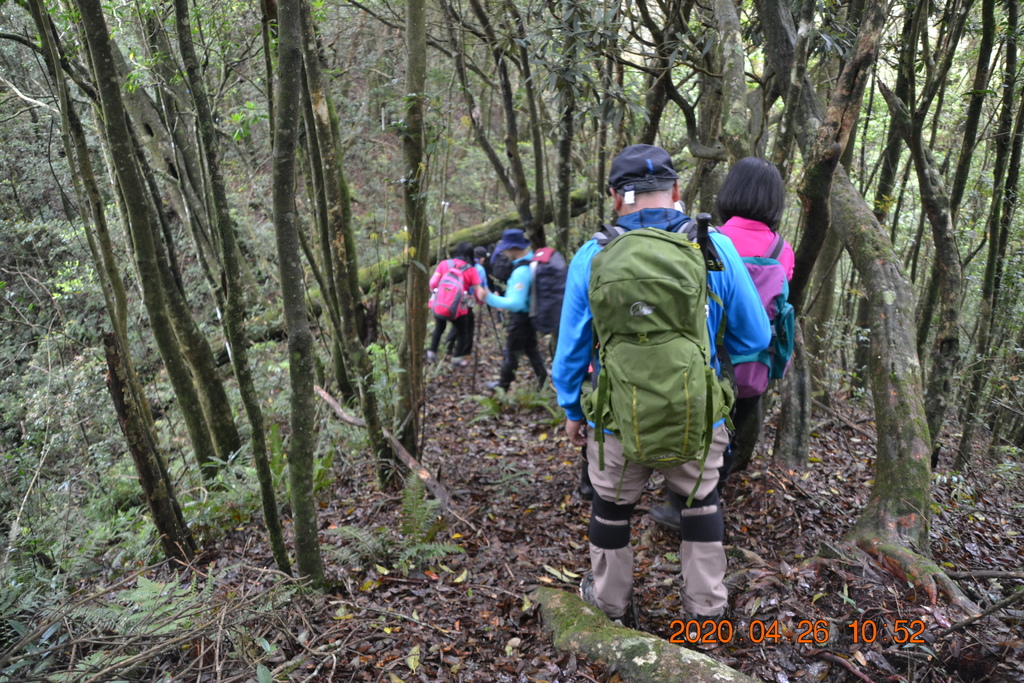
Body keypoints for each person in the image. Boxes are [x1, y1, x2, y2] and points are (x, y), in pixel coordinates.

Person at [552, 144, 770, 624]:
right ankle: (706, 611)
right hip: (698, 409)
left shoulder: (593, 254)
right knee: (701, 504)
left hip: (616, 413)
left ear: (614, 197)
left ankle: (609, 606)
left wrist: (572, 409)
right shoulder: (713, 248)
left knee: (611, 506)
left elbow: (569, 351)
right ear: (675, 190)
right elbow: (756, 335)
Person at [650, 157, 794, 530]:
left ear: (729, 193)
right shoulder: (783, 250)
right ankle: (710, 499)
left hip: (706, 361)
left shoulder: (707, 238)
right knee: (727, 440)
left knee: (696, 432)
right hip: (753, 367)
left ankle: (680, 504)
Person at [479, 229, 548, 392]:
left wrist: (487, 296)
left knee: (511, 352)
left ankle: (502, 386)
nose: (503, 251)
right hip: (531, 316)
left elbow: (516, 303)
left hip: (521, 319)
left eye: (506, 248)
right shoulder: (532, 261)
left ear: (513, 248)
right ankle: (543, 382)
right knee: (532, 350)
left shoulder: (521, 271)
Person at [427, 241, 484, 367]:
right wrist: (481, 301)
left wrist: (437, 294)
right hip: (459, 309)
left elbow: (432, 283)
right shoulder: (471, 270)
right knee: (462, 331)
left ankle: (432, 352)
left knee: (439, 328)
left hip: (440, 305)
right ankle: (457, 358)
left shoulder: (444, 264)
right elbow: (478, 291)